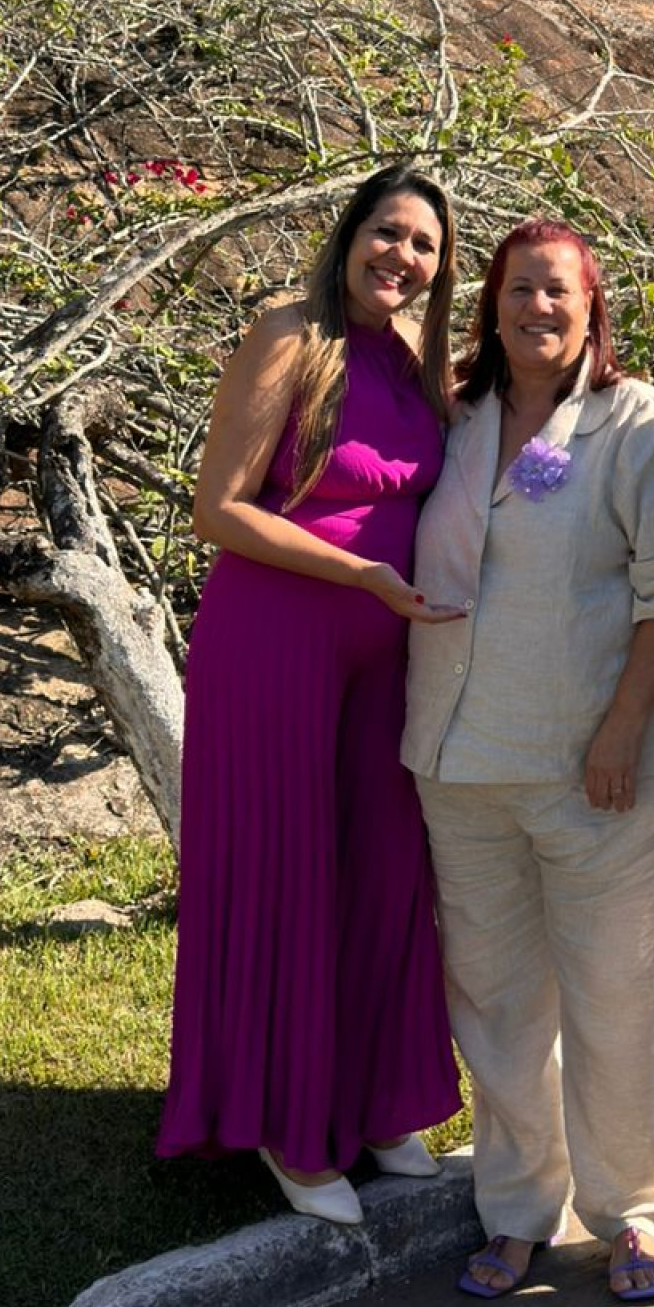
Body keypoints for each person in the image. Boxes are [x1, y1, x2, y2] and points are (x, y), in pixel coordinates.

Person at [403, 219, 654, 1305]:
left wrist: (622, 727)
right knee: (496, 1005)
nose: (538, 308)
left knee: (612, 995)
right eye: (518, 290)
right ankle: (517, 1208)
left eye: (558, 290)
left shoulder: (638, 426)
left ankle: (632, 1207)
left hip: (599, 769)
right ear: (490, 307)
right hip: (461, 760)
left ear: (592, 305)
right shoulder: (457, 422)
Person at [158, 165, 464, 1224]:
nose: (401, 256)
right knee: (285, 872)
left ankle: (379, 1102)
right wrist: (358, 574)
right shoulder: (291, 334)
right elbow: (220, 509)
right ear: (350, 233)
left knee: (384, 869)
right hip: (275, 640)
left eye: (424, 245)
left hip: (387, 655)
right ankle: (286, 1124)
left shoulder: (418, 360)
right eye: (388, 232)